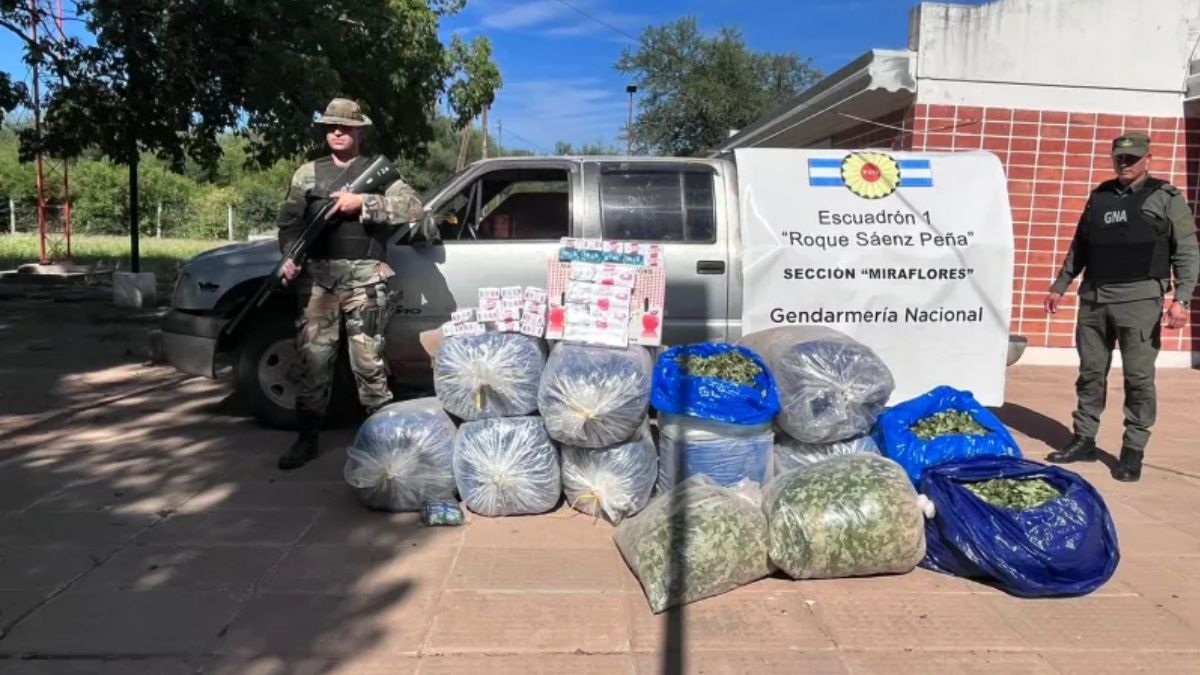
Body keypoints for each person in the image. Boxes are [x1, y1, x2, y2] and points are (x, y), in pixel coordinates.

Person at [275, 97, 427, 470]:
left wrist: (363, 203)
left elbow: (414, 209)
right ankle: (307, 439)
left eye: (344, 126)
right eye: (331, 126)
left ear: (360, 131)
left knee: (369, 364)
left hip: (365, 280)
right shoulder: (307, 173)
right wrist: (288, 258)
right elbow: (290, 223)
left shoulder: (379, 174)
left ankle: (382, 441)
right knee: (313, 362)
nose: (337, 132)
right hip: (318, 283)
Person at [1043, 132, 1198, 482]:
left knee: (1139, 379)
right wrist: (1060, 284)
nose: (1125, 164)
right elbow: (1080, 245)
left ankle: (1133, 451)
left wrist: (1182, 299)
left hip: (1139, 301)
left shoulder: (1166, 197)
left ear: (1148, 159)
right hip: (1095, 298)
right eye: (1120, 159)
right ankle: (1084, 440)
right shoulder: (1100, 196)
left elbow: (1187, 250)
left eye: (1132, 158)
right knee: (1090, 374)